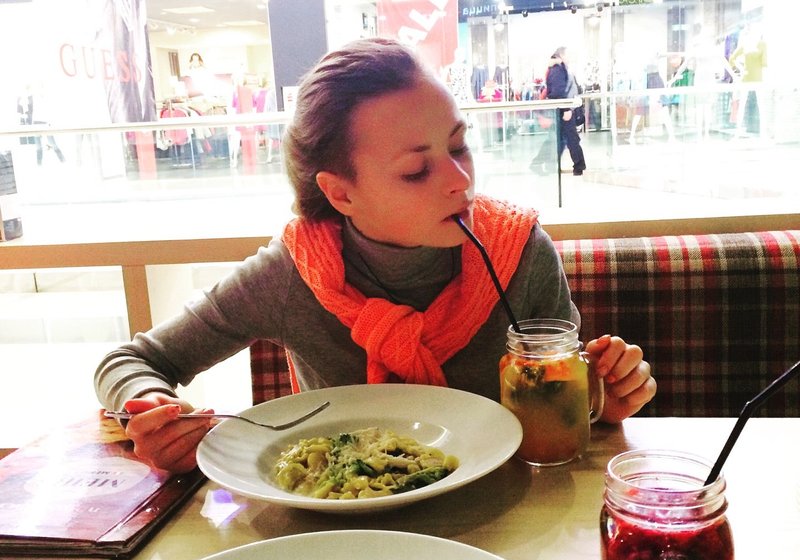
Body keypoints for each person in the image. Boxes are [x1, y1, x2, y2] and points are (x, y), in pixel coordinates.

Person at [94, 38, 656, 474]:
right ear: (341, 194)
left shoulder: (520, 251)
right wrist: (152, 411)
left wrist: (605, 396)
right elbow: (130, 360)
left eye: (458, 145)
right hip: (334, 526)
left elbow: (563, 389)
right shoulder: (293, 273)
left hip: (504, 511)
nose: (460, 180)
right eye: (416, 170)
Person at [544, 47, 586, 176]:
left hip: (563, 109)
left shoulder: (558, 68)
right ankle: (578, 165)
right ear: (561, 55)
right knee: (570, 138)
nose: (569, 58)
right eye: (568, 55)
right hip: (564, 110)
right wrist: (566, 109)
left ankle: (551, 164)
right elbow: (558, 92)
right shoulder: (558, 69)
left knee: (562, 138)